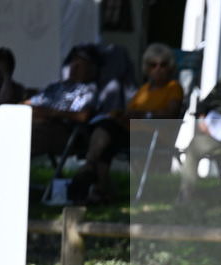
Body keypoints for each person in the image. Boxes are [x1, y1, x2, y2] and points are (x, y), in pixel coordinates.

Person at [71, 43, 182, 204]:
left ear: (169, 67)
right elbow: (129, 112)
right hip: (132, 132)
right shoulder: (144, 89)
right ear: (147, 68)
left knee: (108, 138)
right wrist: (119, 114)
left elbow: (171, 114)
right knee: (105, 128)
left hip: (154, 135)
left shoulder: (174, 88)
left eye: (163, 65)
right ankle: (94, 178)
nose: (158, 69)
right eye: (153, 65)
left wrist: (144, 114)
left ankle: (94, 182)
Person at [25, 45, 100, 158]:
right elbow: (32, 101)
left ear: (92, 73)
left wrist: (50, 113)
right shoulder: (57, 85)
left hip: (61, 128)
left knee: (21, 133)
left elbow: (83, 116)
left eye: (81, 65)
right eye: (74, 61)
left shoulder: (88, 89)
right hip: (38, 120)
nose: (74, 66)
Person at [175, 77, 221, 210]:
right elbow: (202, 105)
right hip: (213, 131)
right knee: (193, 147)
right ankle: (186, 194)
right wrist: (200, 121)